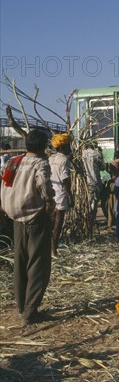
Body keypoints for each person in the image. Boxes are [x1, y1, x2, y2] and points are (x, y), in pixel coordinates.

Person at [0, 130, 55, 326]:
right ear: (43, 146)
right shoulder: (40, 163)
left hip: (15, 218)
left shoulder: (13, 162)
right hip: (35, 217)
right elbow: (45, 186)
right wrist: (50, 200)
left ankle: (22, 306)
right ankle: (31, 312)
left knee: (20, 261)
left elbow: (4, 182)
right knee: (38, 264)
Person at [49, 133, 73, 258]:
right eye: (68, 146)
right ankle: (54, 249)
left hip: (50, 195)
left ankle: (50, 248)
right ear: (63, 147)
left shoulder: (51, 159)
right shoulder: (64, 160)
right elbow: (65, 180)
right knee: (58, 223)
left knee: (50, 223)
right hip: (60, 194)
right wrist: (70, 196)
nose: (70, 148)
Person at [82, 142, 104, 223]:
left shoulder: (82, 154)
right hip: (96, 181)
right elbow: (102, 167)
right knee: (94, 201)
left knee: (88, 201)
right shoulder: (97, 153)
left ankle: (86, 219)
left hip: (85, 182)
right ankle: (91, 220)